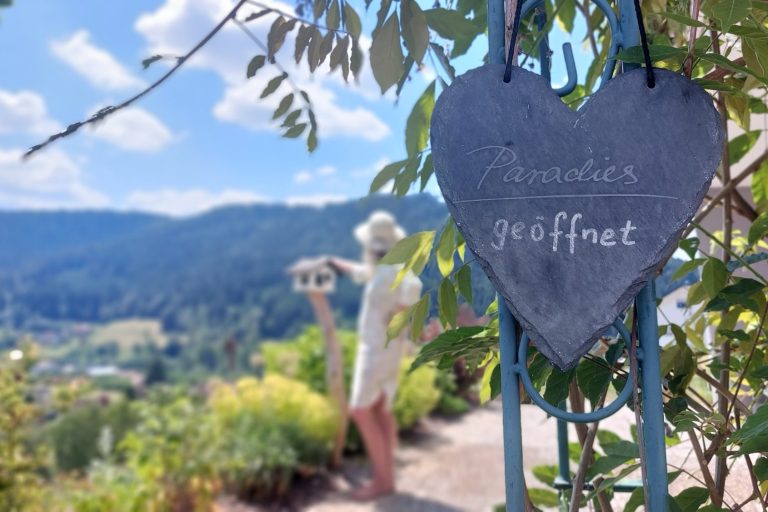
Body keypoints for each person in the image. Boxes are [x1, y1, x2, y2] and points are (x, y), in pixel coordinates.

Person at [330, 210, 422, 500]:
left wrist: (397, 318)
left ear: (372, 245)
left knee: (360, 410)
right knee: (381, 410)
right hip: (388, 352)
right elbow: (363, 272)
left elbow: (405, 301)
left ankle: (382, 482)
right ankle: (387, 478)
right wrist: (335, 263)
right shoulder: (389, 270)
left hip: (375, 352)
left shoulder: (388, 274)